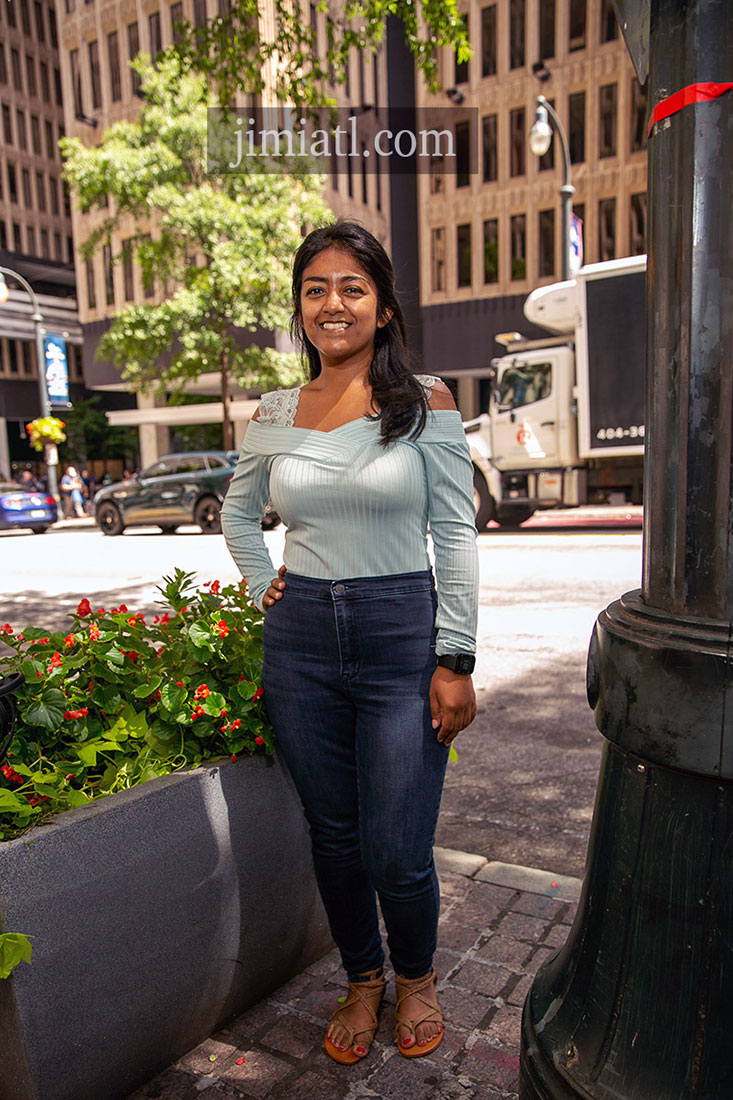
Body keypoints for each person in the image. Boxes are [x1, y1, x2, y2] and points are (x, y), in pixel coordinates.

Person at [221, 221, 479, 1065]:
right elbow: (236, 511)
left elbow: (456, 531)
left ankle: (416, 978)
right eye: (315, 290)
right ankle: (362, 980)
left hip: (401, 629)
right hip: (299, 644)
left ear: (383, 305)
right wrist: (265, 581)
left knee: (396, 849)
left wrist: (456, 657)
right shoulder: (272, 412)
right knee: (331, 835)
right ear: (299, 310)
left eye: (352, 288)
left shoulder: (426, 403)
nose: (333, 304)